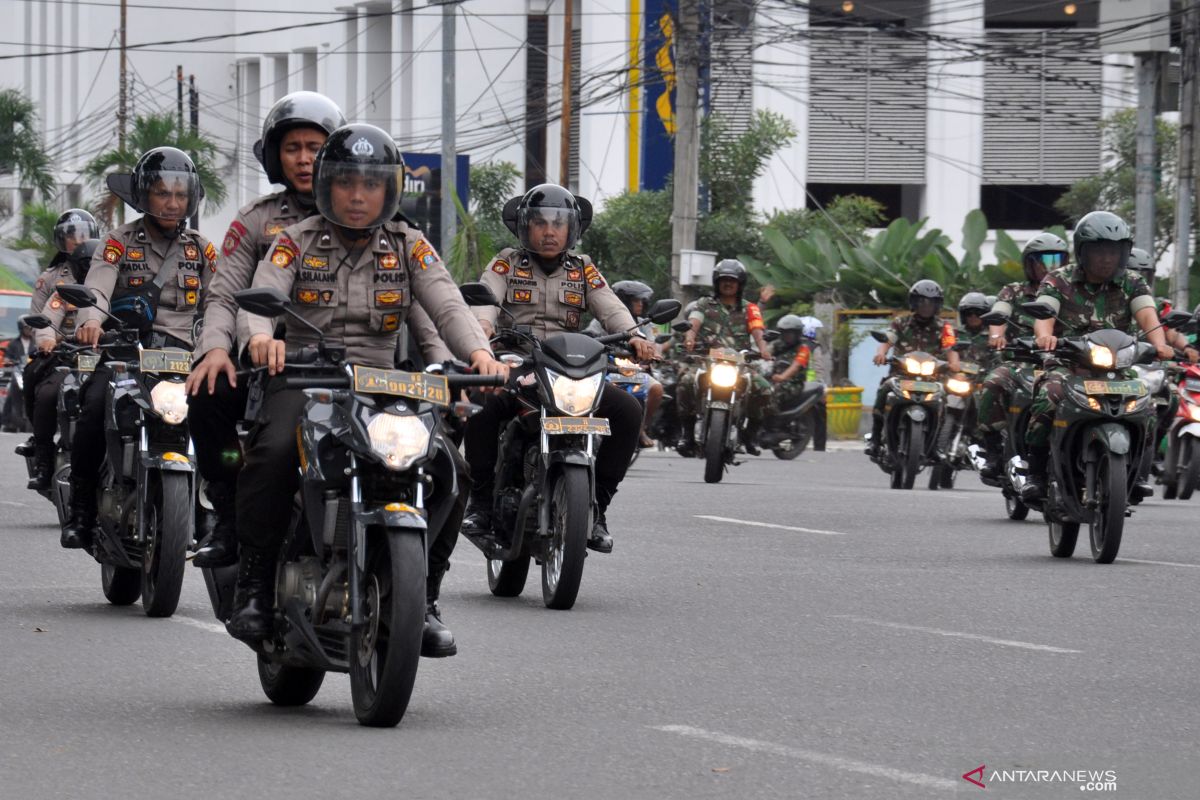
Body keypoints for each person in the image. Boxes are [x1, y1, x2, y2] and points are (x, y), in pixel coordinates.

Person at [225, 123, 507, 643]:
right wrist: (262, 338)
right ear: (329, 185)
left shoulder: (408, 244)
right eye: (348, 183)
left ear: (388, 190)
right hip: (309, 379)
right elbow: (262, 297)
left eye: (371, 185)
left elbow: (446, 303)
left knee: (453, 470)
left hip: (386, 384)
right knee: (270, 457)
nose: (358, 196)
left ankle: (423, 597)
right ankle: (255, 586)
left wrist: (481, 355)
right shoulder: (294, 240)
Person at [186, 91, 346, 571]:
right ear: (277, 156)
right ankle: (229, 517)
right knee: (209, 391)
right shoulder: (257, 219)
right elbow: (224, 294)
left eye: (315, 147)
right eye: (293, 147)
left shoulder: (368, 215)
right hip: (265, 361)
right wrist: (216, 348)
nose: (304, 158)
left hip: (353, 364)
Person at [463, 183, 657, 554]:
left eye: (558, 223)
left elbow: (610, 307)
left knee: (628, 410)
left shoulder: (583, 268)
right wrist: (483, 327)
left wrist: (634, 336)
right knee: (483, 405)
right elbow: (486, 298)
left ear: (572, 229)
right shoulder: (507, 262)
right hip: (518, 362)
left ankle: (596, 509)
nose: (549, 231)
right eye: (540, 223)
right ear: (525, 227)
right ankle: (482, 506)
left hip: (569, 367)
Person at [64, 147, 214, 551]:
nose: (172, 202)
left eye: (180, 195)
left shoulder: (201, 249)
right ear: (145, 196)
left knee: (219, 420)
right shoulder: (117, 241)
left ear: (191, 199)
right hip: (125, 354)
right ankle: (81, 510)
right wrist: (91, 319)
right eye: (163, 193)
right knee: (94, 407)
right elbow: (98, 283)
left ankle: (211, 512)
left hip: (184, 358)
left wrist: (229, 342)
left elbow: (221, 302)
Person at [1021, 211, 1171, 502]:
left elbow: (1148, 317)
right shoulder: (1059, 279)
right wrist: (1044, 336)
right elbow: (1045, 311)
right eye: (1099, 250)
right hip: (1068, 363)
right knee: (1048, 397)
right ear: (1082, 251)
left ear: (1123, 253)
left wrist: (1160, 344)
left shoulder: (1133, 282)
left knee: (1147, 405)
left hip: (1117, 367)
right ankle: (1035, 474)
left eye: (1113, 251)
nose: (1106, 258)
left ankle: (1138, 474)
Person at [973, 232, 1068, 479]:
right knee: (992, 383)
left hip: (1064, 362)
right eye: (1043, 261)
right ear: (1029, 264)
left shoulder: (1071, 293)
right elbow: (1000, 312)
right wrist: (997, 336)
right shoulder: (1013, 291)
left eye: (1057, 260)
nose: (1051, 267)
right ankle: (993, 450)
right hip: (1021, 361)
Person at [16, 210, 100, 456]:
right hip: (63, 351)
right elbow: (41, 322)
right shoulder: (54, 282)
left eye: (83, 234)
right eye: (71, 236)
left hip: (103, 350)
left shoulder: (111, 276)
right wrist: (49, 341)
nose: (77, 240)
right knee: (40, 386)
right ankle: (42, 449)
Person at [676, 259, 773, 456]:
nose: (728, 283)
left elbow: (757, 331)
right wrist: (689, 339)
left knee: (765, 389)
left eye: (732, 280)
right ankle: (686, 434)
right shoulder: (704, 304)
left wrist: (764, 349)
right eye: (723, 280)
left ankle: (749, 436)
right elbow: (694, 322)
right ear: (716, 282)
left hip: (741, 363)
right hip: (707, 361)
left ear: (740, 283)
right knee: (685, 382)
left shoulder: (750, 308)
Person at [866, 280, 961, 457]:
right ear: (914, 302)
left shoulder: (945, 327)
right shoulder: (900, 322)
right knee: (883, 392)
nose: (926, 306)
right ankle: (876, 439)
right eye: (922, 301)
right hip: (901, 375)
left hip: (931, 378)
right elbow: (888, 339)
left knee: (945, 401)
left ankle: (937, 446)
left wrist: (954, 363)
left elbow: (951, 348)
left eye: (931, 302)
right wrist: (880, 353)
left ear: (937, 304)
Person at [587, 279, 664, 447]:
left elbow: (653, 345)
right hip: (608, 370)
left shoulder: (644, 324)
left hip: (636, 371)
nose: (640, 304)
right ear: (623, 301)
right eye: (636, 300)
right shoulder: (599, 322)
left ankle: (641, 428)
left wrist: (652, 355)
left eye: (642, 300)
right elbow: (591, 340)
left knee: (656, 388)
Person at [771, 313, 827, 451]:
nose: (787, 336)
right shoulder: (778, 345)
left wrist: (820, 383)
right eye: (785, 333)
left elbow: (813, 367)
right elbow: (765, 355)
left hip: (803, 384)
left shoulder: (808, 347)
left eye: (791, 333)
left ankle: (819, 447)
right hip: (782, 381)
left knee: (820, 414)